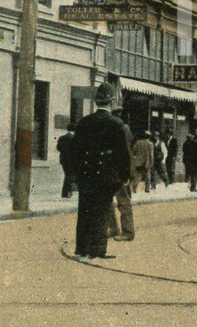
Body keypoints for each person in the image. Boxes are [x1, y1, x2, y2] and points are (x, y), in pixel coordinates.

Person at [72, 83, 131, 262]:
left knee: (84, 211)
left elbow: (75, 151)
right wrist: (124, 176)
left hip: (86, 174)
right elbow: (124, 153)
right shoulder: (117, 124)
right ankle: (96, 250)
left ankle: (81, 249)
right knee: (101, 212)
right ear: (112, 102)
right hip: (106, 176)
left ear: (97, 102)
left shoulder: (84, 122)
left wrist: (77, 172)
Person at [106, 111, 135, 242]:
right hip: (111, 170)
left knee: (123, 201)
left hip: (121, 171)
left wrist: (127, 174)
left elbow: (127, 154)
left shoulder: (123, 130)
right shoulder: (115, 130)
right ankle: (113, 228)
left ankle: (128, 231)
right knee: (107, 201)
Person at [57, 123, 76, 198]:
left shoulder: (62, 137)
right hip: (72, 160)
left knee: (67, 175)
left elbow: (58, 148)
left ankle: (65, 192)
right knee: (70, 176)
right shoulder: (74, 138)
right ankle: (67, 192)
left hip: (63, 160)